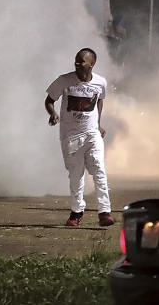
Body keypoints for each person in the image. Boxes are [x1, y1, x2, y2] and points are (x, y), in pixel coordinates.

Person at [45, 48, 114, 227]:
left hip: (92, 133)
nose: (76, 63)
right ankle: (77, 211)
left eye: (81, 61)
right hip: (70, 135)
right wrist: (53, 114)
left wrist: (98, 124)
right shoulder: (64, 81)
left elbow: (99, 100)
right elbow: (49, 100)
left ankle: (105, 211)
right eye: (76, 60)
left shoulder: (100, 83)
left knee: (99, 169)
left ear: (91, 64)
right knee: (76, 175)